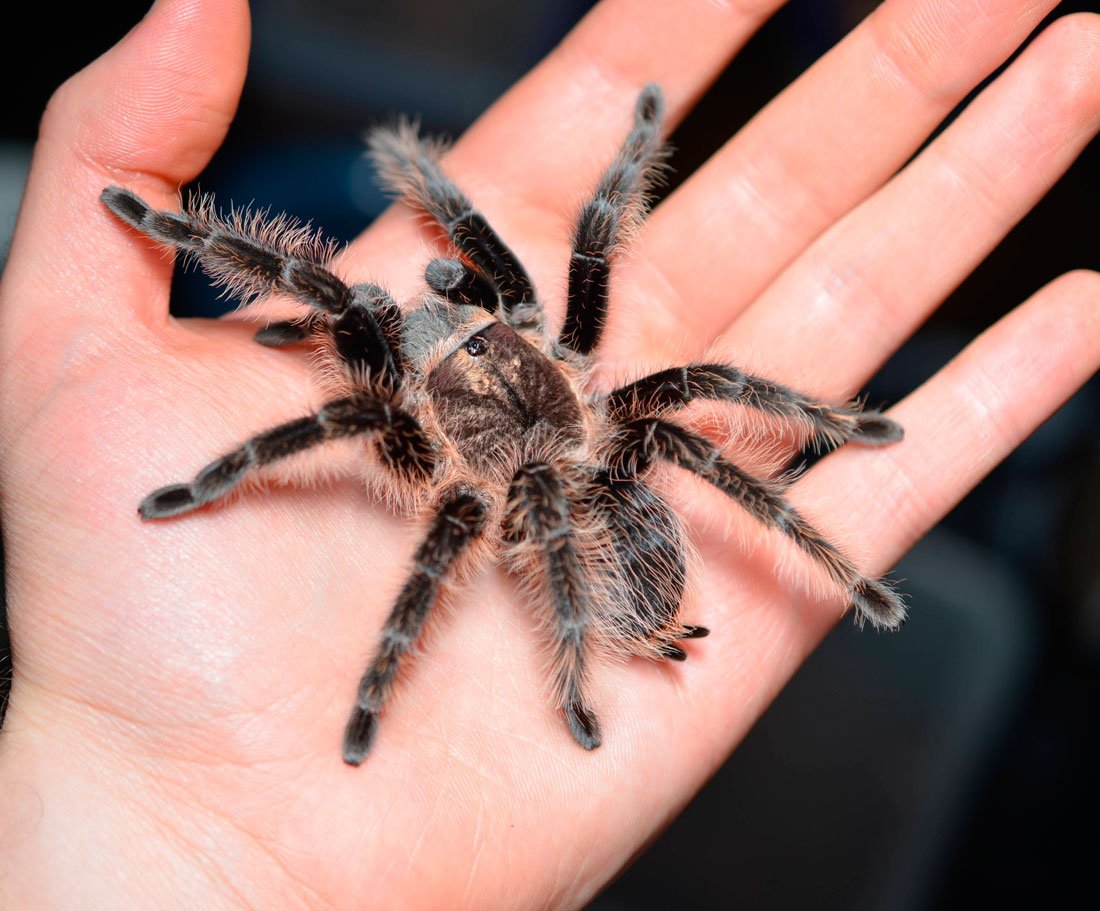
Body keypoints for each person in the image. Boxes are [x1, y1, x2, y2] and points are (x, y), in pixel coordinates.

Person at [0, 0, 1096, 906]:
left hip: (570, 481)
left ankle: (824, 554)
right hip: (567, 474)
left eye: (473, 311)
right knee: (649, 414)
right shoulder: (492, 381)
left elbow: (576, 241)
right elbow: (373, 383)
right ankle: (803, 557)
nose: (462, 311)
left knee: (651, 405)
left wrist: (466, 176)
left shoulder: (470, 398)